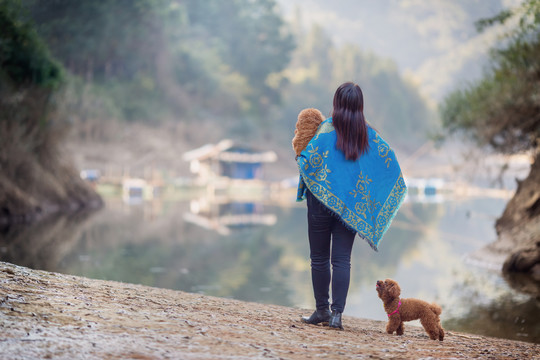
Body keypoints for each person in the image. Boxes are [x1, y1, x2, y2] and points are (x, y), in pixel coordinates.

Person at [296, 82, 407, 330]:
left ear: (336, 103)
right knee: (342, 260)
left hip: (319, 206)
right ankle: (336, 316)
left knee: (319, 258)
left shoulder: (325, 131)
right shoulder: (369, 136)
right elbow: (389, 163)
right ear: (360, 106)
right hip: (351, 209)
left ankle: (321, 310)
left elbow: (307, 161)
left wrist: (299, 156)